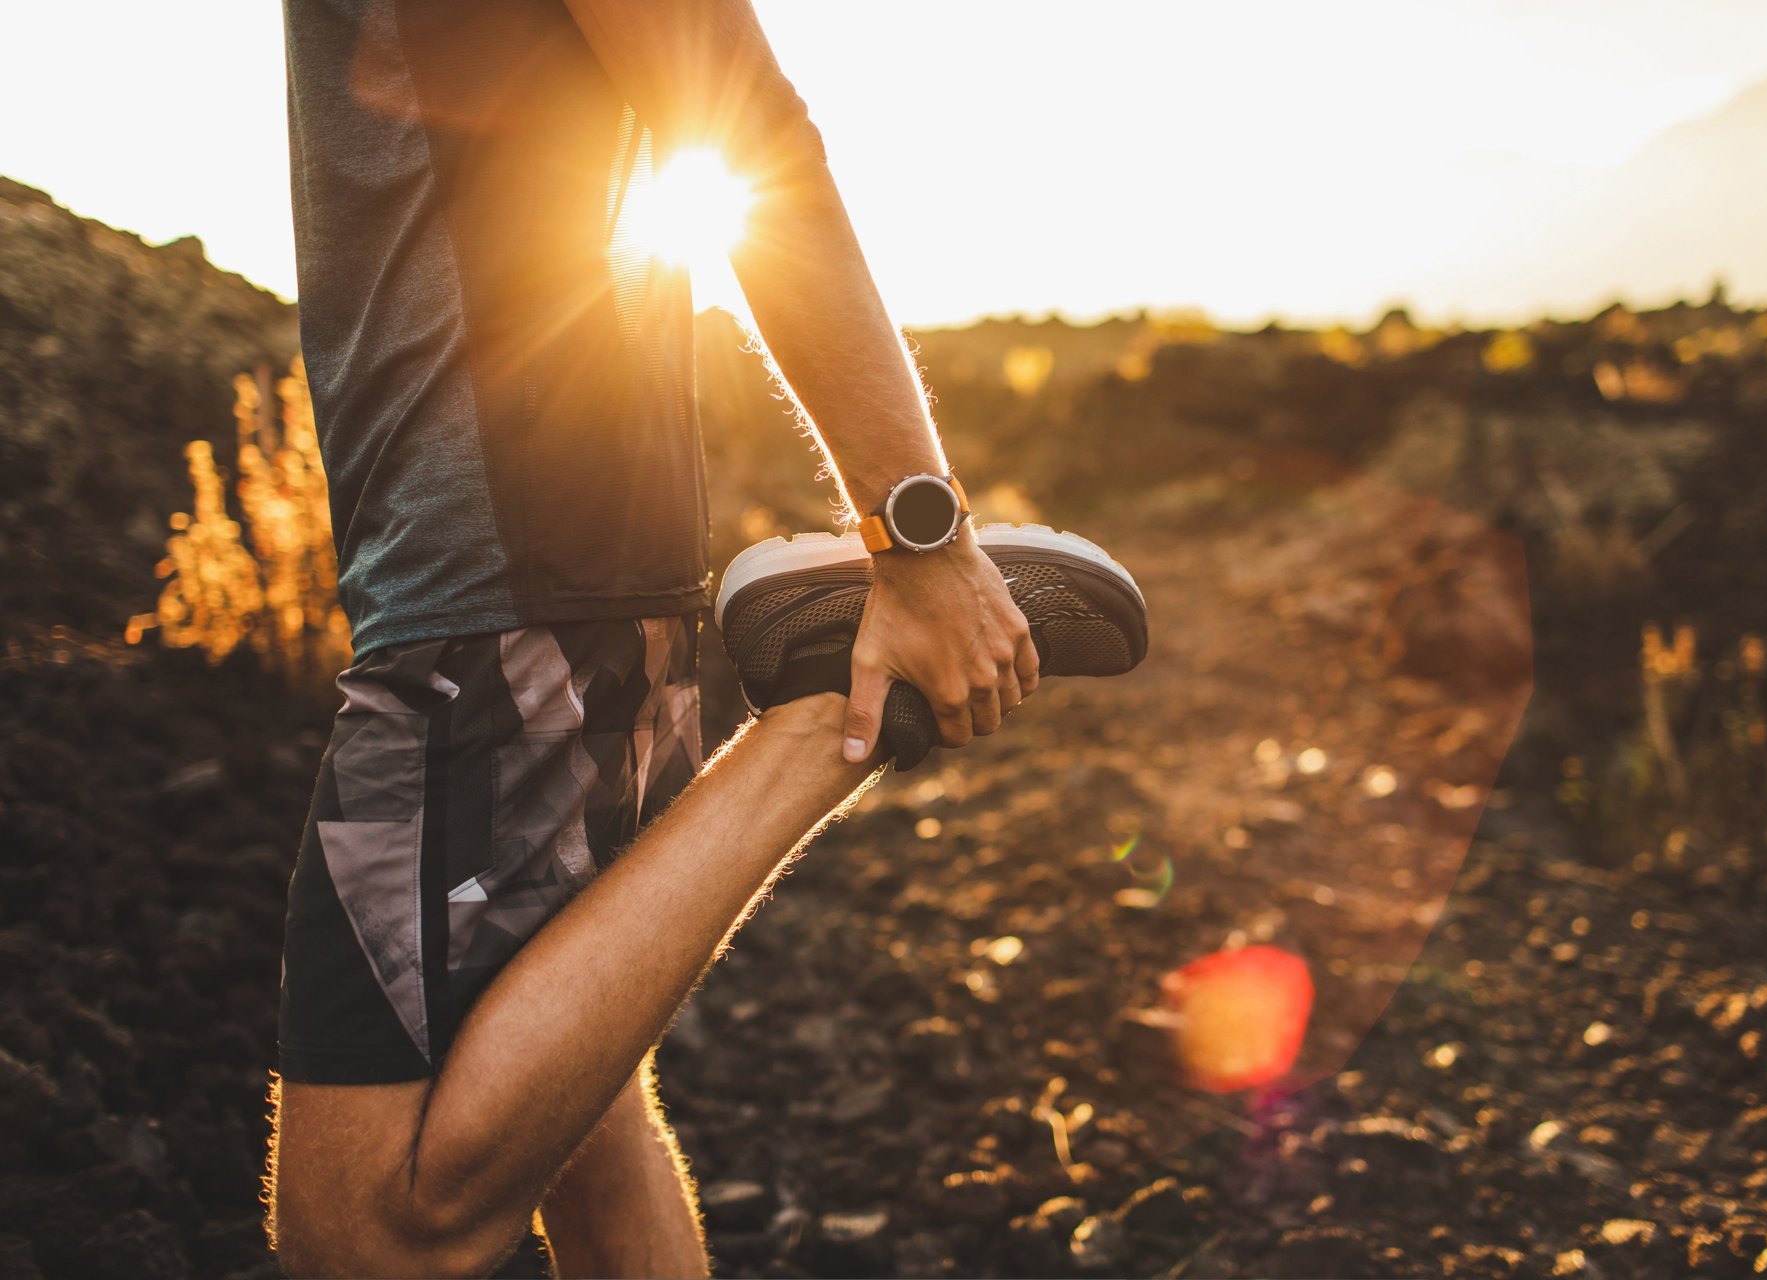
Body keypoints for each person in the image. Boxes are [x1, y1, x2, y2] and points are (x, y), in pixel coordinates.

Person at [266, 1, 1145, 1275]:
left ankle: (821, 720)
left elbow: (742, 119)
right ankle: (832, 687)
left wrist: (921, 533)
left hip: (502, 569)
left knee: (374, 1225)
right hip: (529, 563)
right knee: (584, 1127)